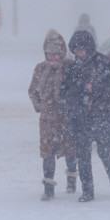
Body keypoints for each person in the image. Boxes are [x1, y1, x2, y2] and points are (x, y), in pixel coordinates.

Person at [60, 30, 110, 202]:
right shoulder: (73, 68)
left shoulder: (104, 64)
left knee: (104, 152)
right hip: (80, 120)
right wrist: (70, 109)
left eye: (82, 49)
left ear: (90, 48)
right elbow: (65, 92)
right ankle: (88, 190)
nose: (79, 53)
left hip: (101, 118)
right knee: (83, 156)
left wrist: (96, 91)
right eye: (76, 50)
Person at [28, 30, 78, 200]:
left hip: (67, 119)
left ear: (62, 52)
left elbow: (77, 90)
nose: (53, 58)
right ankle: (48, 188)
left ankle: (72, 181)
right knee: (48, 153)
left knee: (70, 151)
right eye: (50, 55)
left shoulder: (70, 67)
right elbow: (33, 91)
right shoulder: (40, 69)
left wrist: (72, 107)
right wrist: (40, 106)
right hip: (47, 120)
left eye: (57, 55)